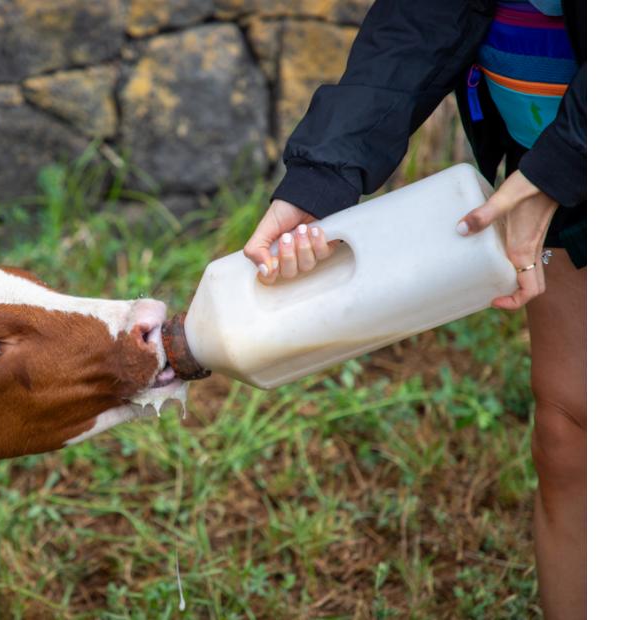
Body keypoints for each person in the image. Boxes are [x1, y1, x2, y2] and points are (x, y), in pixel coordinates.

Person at [243, 1, 586, 617]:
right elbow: (424, 13)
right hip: (558, 173)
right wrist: (322, 178)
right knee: (571, 436)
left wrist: (561, 169)